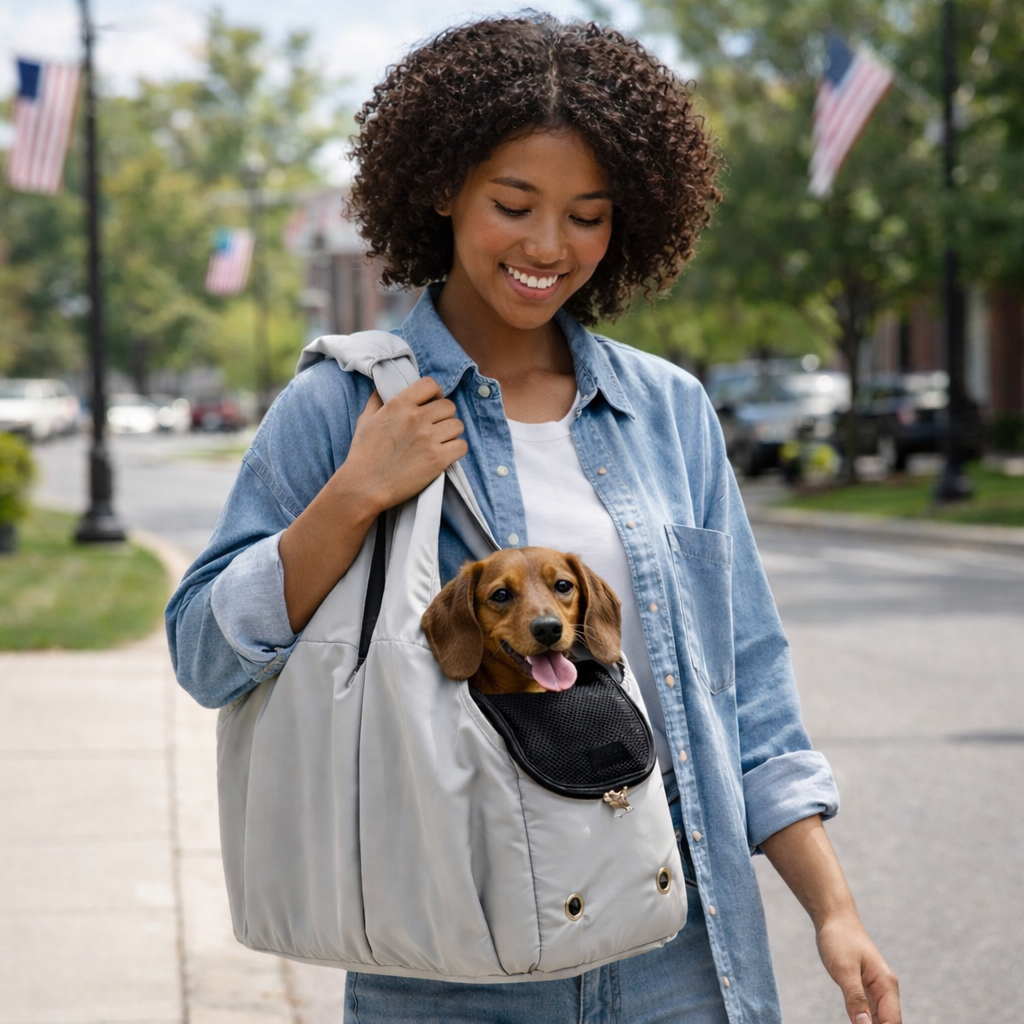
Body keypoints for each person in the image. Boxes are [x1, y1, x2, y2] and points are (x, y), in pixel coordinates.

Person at [166, 13, 901, 1024]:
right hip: (451, 958)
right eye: (514, 204)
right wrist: (352, 495)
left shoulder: (667, 411)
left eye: (588, 216)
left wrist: (834, 911)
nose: (549, 246)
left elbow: (749, 696)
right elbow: (205, 654)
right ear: (441, 188)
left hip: (676, 947)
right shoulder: (343, 405)